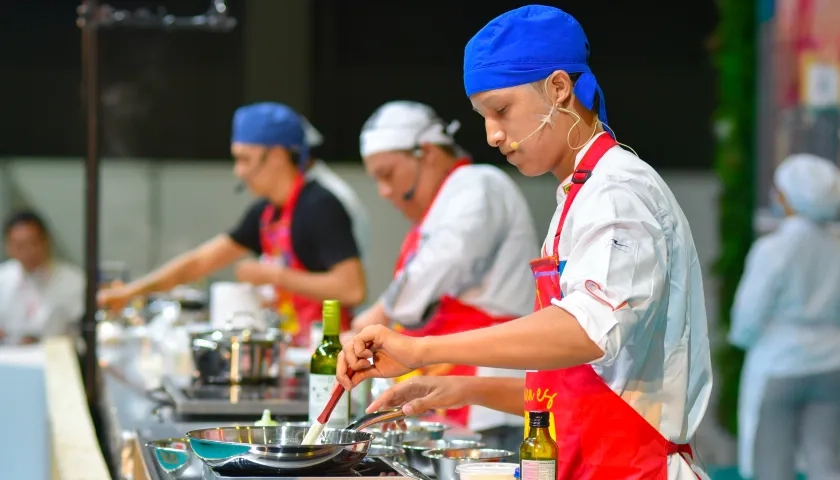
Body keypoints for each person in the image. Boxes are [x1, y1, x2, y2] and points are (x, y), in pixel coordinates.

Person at [337, 6, 712, 480]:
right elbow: (582, 389)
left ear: (559, 88)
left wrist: (423, 349)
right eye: (483, 117)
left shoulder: (618, 192)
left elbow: (586, 332)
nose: (493, 135)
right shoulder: (577, 196)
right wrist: (462, 390)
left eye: (501, 111)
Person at [98, 102, 368, 346]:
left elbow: (351, 288)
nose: (238, 171)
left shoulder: (320, 206)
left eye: (244, 159)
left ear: (275, 155)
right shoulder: (266, 212)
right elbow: (199, 262)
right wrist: (131, 293)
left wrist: (273, 276)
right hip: (292, 347)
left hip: (328, 354)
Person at [351, 100, 539, 447]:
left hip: (493, 396)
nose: (385, 192)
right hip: (452, 386)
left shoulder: (479, 185)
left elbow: (440, 267)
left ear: (427, 153)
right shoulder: (444, 202)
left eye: (388, 175)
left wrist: (378, 314)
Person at [730, 154, 840, 480]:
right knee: (827, 462)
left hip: (779, 363)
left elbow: (748, 314)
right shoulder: (836, 248)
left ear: (790, 199)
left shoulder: (774, 249)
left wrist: (743, 339)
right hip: (832, 362)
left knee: (772, 465)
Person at [0, 210, 85, 345]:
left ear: (46, 240)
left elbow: (80, 331)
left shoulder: (74, 281)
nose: (28, 252)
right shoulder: (2, 278)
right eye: (20, 246)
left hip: (57, 357)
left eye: (33, 243)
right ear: (8, 247)